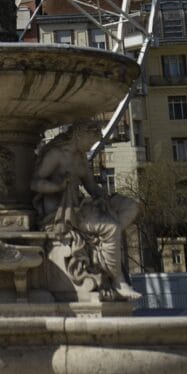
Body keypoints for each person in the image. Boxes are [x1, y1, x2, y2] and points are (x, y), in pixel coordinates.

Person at [31, 121, 140, 301]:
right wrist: (57, 186)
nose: (91, 146)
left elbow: (92, 187)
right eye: (91, 141)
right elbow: (34, 183)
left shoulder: (80, 158)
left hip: (78, 206)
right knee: (110, 227)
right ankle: (118, 281)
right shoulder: (56, 154)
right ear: (80, 136)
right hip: (61, 212)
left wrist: (103, 200)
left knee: (131, 206)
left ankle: (102, 251)